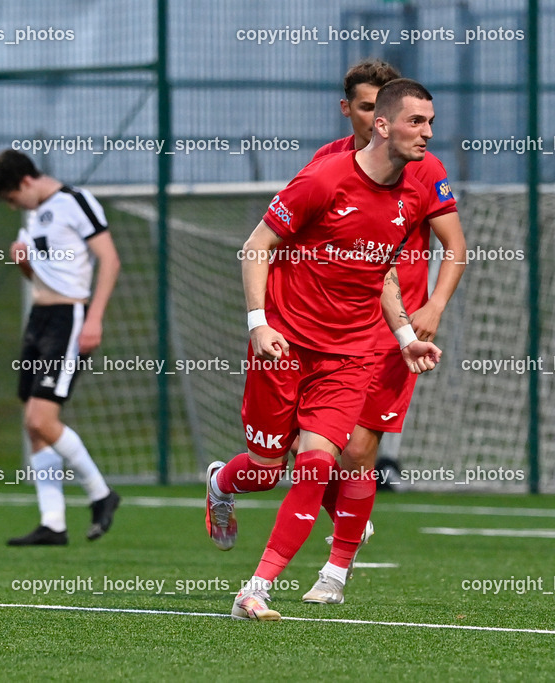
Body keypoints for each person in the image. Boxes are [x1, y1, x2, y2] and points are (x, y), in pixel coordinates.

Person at [204, 78, 443, 621]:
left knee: (316, 465)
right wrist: (258, 325)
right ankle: (222, 483)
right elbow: (256, 246)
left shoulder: (413, 192)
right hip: (284, 346)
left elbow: (381, 272)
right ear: (381, 125)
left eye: (430, 122)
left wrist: (405, 337)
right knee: (266, 470)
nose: (427, 133)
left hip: (350, 355)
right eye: (416, 122)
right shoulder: (324, 178)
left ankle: (256, 590)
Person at [299, 60, 466, 605]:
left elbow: (455, 249)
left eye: (383, 108)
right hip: (328, 326)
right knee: (303, 447)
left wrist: (433, 308)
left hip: (394, 330)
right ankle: (344, 511)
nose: (377, 119)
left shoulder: (424, 168)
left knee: (361, 447)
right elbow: (284, 240)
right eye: (366, 107)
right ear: (350, 110)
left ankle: (335, 573)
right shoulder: (326, 165)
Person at [0, 149, 122, 546]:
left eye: (12, 199)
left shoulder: (75, 201)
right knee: (32, 421)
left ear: (25, 182)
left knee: (42, 419)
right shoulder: (34, 213)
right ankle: (53, 523)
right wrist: (25, 264)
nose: (14, 207)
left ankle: (101, 493)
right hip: (39, 319)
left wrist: (94, 317)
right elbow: (42, 276)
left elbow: (109, 260)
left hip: (69, 317)